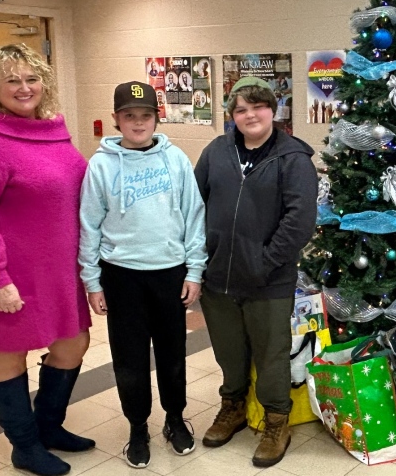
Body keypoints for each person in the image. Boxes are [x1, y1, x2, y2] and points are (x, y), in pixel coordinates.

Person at [0, 44, 93, 476]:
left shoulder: (54, 130)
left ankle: (48, 426)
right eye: (12, 80)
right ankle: (24, 446)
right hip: (12, 275)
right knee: (12, 353)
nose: (24, 87)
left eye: (31, 78)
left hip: (61, 271)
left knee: (74, 344)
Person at [78, 81, 207, 469]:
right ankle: (137, 426)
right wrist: (92, 280)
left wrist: (195, 269)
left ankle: (173, 418)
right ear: (117, 119)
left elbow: (194, 217)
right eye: (129, 116)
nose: (138, 123)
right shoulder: (100, 165)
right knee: (130, 359)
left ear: (156, 117)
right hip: (122, 277)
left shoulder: (176, 160)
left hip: (169, 273)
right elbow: (89, 226)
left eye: (145, 115)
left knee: (172, 354)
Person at [194, 76, 318, 468]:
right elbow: (195, 204)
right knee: (229, 353)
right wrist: (203, 259)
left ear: (273, 110)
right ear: (232, 116)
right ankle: (231, 407)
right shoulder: (216, 152)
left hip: (269, 280)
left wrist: (263, 263)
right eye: (241, 109)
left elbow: (299, 222)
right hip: (219, 279)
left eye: (258, 107)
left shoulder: (293, 158)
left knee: (271, 357)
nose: (250, 115)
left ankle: (276, 422)